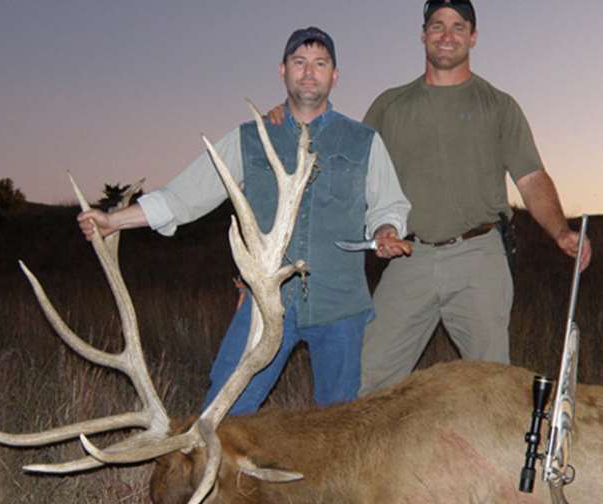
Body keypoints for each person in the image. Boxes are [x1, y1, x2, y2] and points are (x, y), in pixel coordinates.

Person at [77, 27, 412, 415]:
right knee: (224, 415)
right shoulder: (250, 137)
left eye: (320, 64)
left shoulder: (363, 140)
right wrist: (113, 220)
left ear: (334, 75)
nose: (309, 72)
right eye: (299, 62)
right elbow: (183, 197)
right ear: (282, 71)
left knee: (338, 427)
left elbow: (388, 204)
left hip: (340, 306)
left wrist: (387, 230)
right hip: (265, 305)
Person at [356, 0, 593, 395]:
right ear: (423, 35)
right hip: (408, 257)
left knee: (493, 389)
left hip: (479, 257)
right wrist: (293, 113)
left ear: (473, 37)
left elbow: (531, 178)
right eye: (437, 25)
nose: (447, 35)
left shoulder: (499, 105)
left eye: (458, 26)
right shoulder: (389, 105)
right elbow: (356, 174)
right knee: (367, 381)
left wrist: (560, 231)